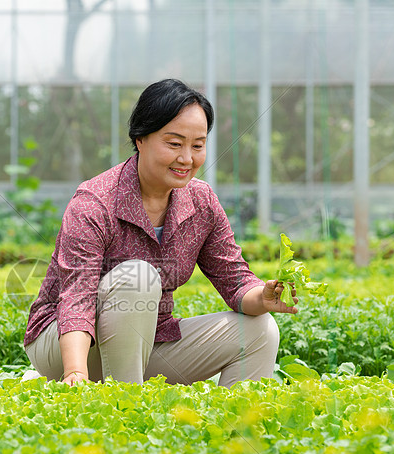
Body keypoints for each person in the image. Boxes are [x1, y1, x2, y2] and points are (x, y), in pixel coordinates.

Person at [23, 78, 297, 387]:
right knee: (139, 278)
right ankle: (124, 409)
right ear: (140, 139)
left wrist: (264, 295)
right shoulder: (95, 202)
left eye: (198, 145)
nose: (186, 158)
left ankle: (234, 428)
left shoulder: (202, 202)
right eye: (174, 143)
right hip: (66, 344)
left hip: (147, 342)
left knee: (261, 331)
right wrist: (75, 374)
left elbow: (234, 279)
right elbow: (76, 298)